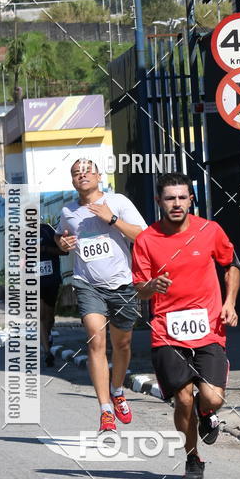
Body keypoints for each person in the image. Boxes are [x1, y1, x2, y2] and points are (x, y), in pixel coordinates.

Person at [133, 172, 240, 479]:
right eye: (170, 198)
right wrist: (151, 285)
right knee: (182, 399)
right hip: (167, 330)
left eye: (182, 197)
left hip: (207, 327)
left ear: (191, 199)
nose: (176, 203)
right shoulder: (146, 240)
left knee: (212, 398)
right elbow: (139, 288)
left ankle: (207, 414)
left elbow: (232, 264)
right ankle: (193, 458)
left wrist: (230, 302)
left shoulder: (210, 230)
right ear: (159, 202)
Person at [55, 159, 147, 432]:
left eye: (86, 171)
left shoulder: (117, 201)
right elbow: (62, 238)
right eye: (76, 173)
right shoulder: (68, 210)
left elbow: (142, 235)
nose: (82, 175)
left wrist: (113, 219)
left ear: (98, 175)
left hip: (121, 284)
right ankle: (105, 410)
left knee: (123, 345)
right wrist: (63, 244)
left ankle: (117, 390)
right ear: (72, 181)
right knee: (96, 340)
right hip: (87, 284)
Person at [39, 221, 67, 368]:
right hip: (33, 281)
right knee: (41, 316)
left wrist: (44, 249)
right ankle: (47, 352)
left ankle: (48, 336)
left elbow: (64, 251)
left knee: (49, 316)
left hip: (51, 280)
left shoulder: (48, 230)